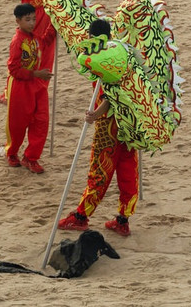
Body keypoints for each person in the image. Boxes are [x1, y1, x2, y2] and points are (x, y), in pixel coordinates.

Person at [57, 20, 140, 238]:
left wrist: (96, 114)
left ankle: (81, 216)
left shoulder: (103, 59)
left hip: (110, 124)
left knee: (101, 169)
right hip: (130, 122)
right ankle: (123, 219)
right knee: (127, 168)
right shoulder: (122, 52)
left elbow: (112, 94)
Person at [3, 3, 52, 173]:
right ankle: (12, 152)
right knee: (18, 124)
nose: (32, 23)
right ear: (18, 21)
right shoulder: (18, 41)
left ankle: (31, 157)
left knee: (41, 122)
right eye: (27, 20)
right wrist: (36, 74)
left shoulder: (34, 37)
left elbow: (46, 41)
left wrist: (55, 22)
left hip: (37, 86)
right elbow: (14, 69)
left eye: (33, 19)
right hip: (21, 88)